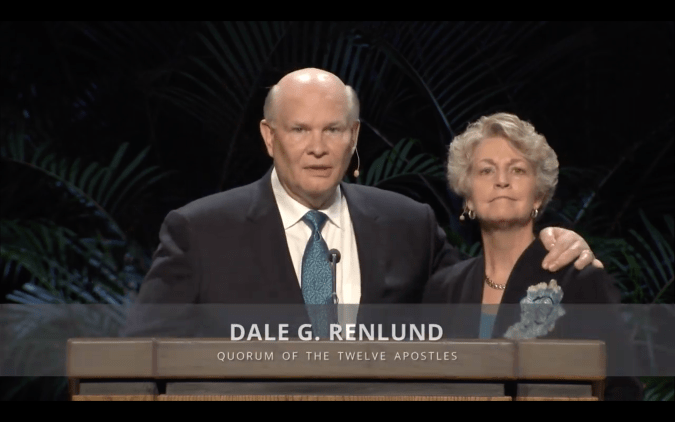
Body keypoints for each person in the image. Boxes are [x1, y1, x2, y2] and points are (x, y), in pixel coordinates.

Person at [132, 68, 599, 310]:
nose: (318, 147)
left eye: (333, 130)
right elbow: (141, 360)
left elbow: (482, 296)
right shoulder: (201, 231)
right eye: (299, 130)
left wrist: (555, 247)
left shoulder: (408, 224)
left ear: (353, 136)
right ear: (270, 137)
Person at [422, 112, 642, 400]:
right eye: (486, 171)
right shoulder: (443, 289)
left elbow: (622, 390)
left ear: (538, 195)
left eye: (517, 170)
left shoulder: (579, 279)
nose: (502, 181)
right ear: (469, 198)